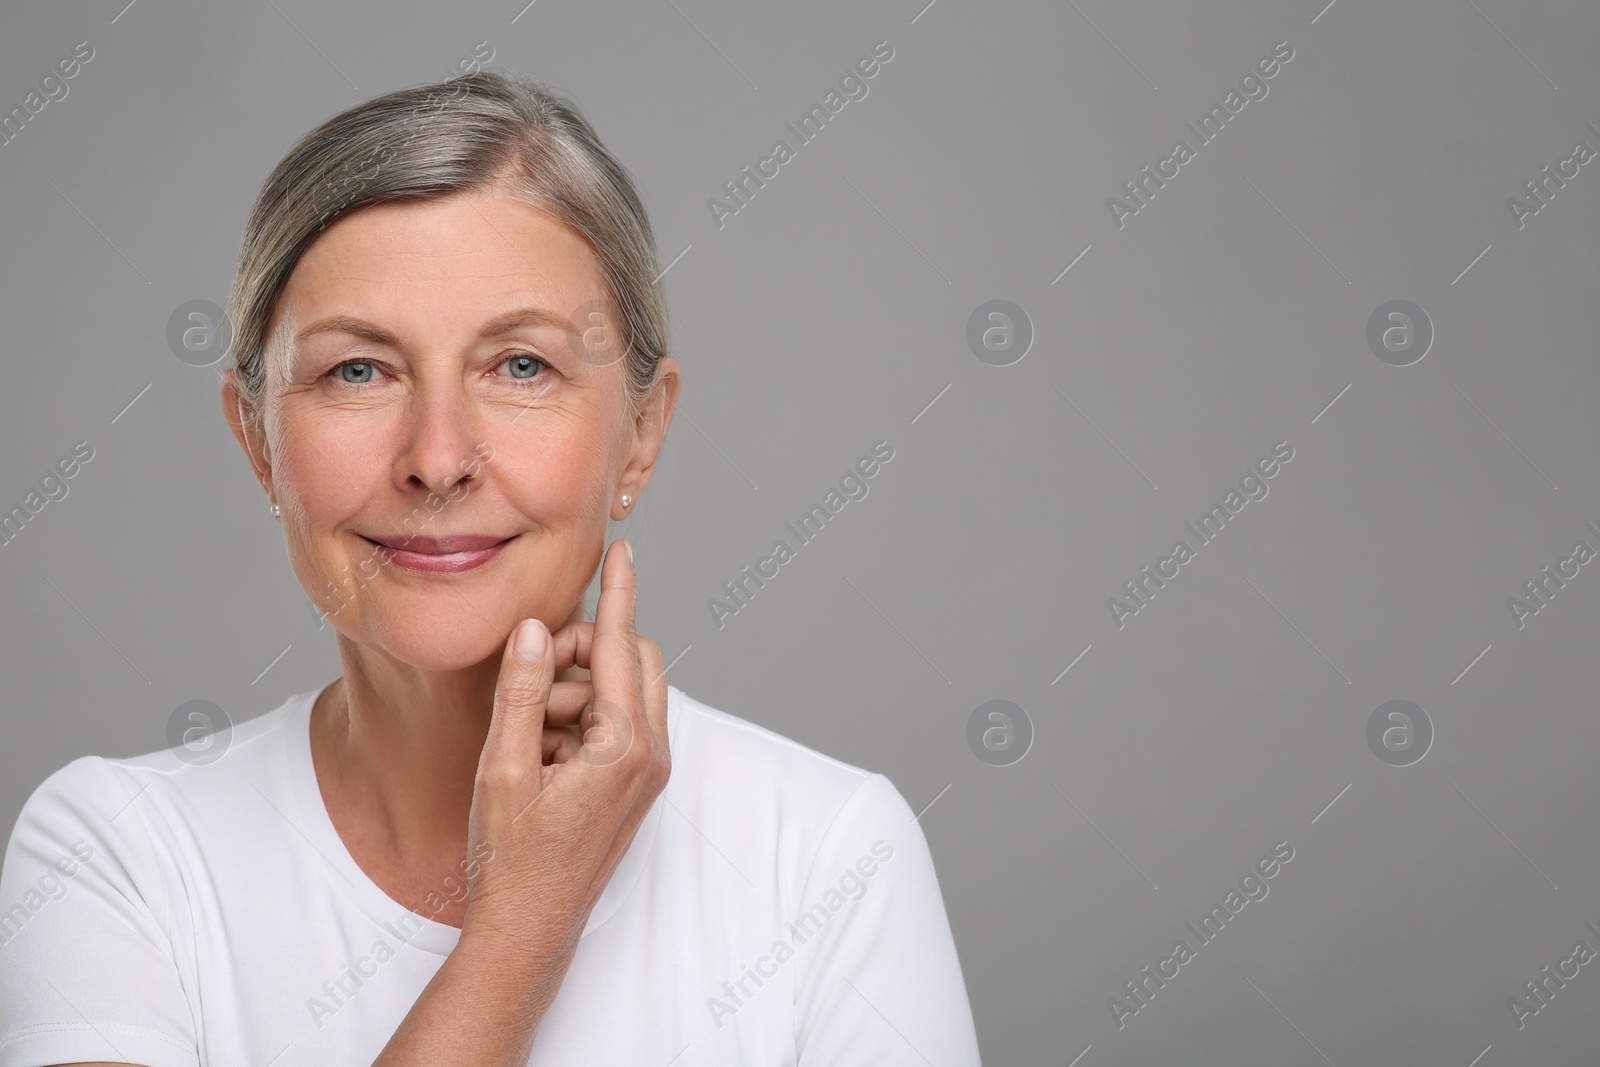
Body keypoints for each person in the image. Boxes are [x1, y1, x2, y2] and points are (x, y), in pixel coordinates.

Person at [0, 71, 981, 1066]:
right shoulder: (115, 851)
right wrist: (520, 933)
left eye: (521, 366)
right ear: (256, 437)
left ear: (640, 437)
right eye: (357, 369)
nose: (437, 455)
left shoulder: (827, 854)